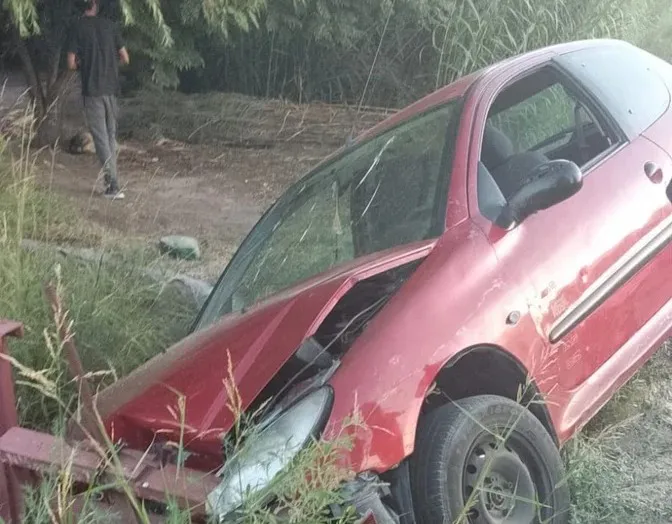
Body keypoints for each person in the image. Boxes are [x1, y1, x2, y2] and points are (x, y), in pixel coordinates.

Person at [67, 0, 129, 200]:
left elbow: (70, 63)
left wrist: (83, 65)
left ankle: (113, 186)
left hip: (92, 91)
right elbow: (125, 57)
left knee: (101, 138)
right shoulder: (110, 26)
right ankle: (112, 182)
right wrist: (111, 65)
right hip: (111, 89)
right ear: (94, 4)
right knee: (110, 137)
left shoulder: (78, 28)